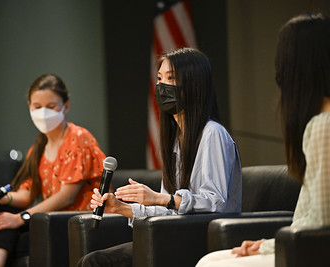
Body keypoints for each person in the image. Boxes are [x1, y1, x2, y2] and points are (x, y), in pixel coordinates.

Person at [77, 47, 242, 267]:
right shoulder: (176, 139)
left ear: (194, 85)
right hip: (176, 235)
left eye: (171, 79)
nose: (161, 87)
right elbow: (169, 210)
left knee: (95, 262)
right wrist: (120, 208)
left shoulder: (212, 133)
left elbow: (215, 202)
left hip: (201, 241)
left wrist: (158, 197)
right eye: (159, 79)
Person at [196, 13, 330, 267]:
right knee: (213, 258)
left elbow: (320, 223)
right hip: (298, 243)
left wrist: (272, 245)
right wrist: (267, 244)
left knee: (212, 263)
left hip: (310, 251)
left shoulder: (324, 125)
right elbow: (308, 216)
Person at [0, 73, 106, 267]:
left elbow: (66, 197)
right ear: (29, 106)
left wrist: (21, 218)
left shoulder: (78, 137)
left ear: (66, 106)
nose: (44, 113)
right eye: (37, 107)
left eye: (51, 107)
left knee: (10, 232)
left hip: (78, 222)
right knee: (0, 215)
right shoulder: (37, 148)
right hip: (51, 221)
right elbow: (27, 195)